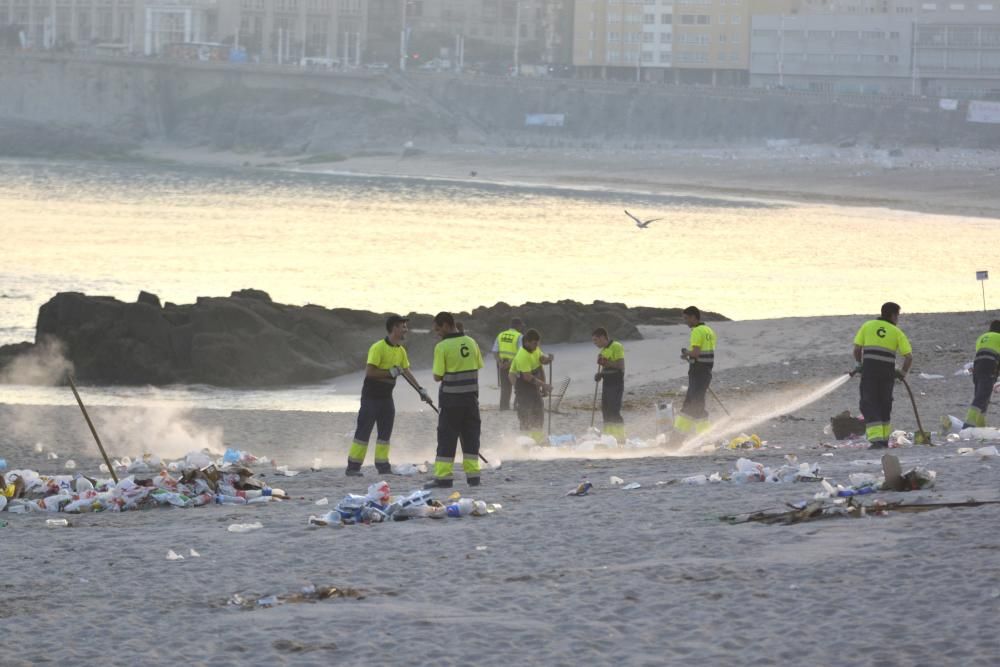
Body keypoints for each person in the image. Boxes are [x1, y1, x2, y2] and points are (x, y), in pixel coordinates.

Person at [345, 314, 430, 476]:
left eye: (406, 326)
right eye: (403, 326)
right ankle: (353, 468)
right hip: (371, 396)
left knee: (385, 433)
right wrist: (390, 372)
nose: (406, 329)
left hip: (386, 397)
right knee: (363, 432)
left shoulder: (401, 351)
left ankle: (383, 467)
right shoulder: (378, 347)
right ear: (394, 328)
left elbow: (405, 370)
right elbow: (370, 373)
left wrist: (420, 390)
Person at [427, 312, 485, 488]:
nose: (437, 332)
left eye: (438, 329)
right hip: (471, 400)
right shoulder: (471, 342)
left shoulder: (442, 347)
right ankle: (473, 477)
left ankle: (443, 478)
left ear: (445, 325)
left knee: (447, 438)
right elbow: (478, 365)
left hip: (451, 401)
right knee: (471, 437)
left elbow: (437, 376)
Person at [852, 302, 913, 449]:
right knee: (884, 404)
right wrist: (902, 373)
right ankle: (884, 439)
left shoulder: (867, 325)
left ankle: (877, 440)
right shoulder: (897, 332)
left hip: (869, 371)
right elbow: (909, 357)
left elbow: (857, 349)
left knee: (868, 403)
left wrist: (859, 364)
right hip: (887, 374)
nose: (897, 318)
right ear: (893, 315)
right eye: (898, 315)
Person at [673, 306, 716, 440]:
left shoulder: (696, 331)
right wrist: (690, 356)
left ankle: (679, 438)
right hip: (706, 371)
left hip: (698, 372)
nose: (685, 321)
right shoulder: (709, 330)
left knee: (693, 404)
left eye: (686, 318)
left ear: (693, 317)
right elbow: (705, 353)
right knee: (696, 404)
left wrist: (687, 353)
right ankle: (701, 437)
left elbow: (696, 353)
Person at [508, 329, 554, 443]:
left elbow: (541, 360)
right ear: (526, 342)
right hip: (522, 384)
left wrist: (548, 359)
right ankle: (525, 442)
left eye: (538, 343)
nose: (536, 345)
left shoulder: (535, 349)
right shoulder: (522, 355)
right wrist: (545, 385)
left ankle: (537, 440)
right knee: (525, 414)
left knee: (538, 410)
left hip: (532, 384)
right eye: (534, 343)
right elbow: (527, 377)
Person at [963, 320, 1000, 428]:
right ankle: (968, 425)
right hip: (989, 365)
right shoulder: (998, 337)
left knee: (983, 396)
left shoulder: (982, 337)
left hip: (977, 366)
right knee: (981, 397)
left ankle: (980, 426)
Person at [592, 327, 625, 443]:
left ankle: (620, 438)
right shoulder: (603, 351)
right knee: (605, 410)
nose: (595, 343)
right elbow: (606, 368)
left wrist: (606, 362)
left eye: (596, 340)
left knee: (614, 410)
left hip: (616, 383)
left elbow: (620, 366)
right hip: (607, 383)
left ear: (602, 337)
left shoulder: (616, 346)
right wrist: (600, 374)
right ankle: (609, 437)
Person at [492, 318, 525, 411]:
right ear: (518, 326)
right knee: (518, 385)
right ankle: (516, 406)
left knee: (505, 387)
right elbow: (521, 353)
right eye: (521, 326)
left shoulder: (501, 335)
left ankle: (504, 407)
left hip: (502, 364)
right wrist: (510, 363)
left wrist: (499, 362)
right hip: (514, 365)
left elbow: (495, 351)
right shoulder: (519, 336)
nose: (522, 327)